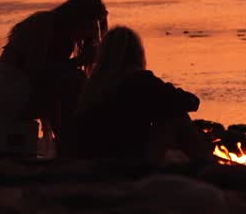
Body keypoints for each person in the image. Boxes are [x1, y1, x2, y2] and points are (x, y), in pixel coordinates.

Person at [69, 26, 209, 161]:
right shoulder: (140, 80)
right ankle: (206, 164)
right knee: (176, 114)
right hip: (128, 162)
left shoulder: (94, 85)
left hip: (92, 161)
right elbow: (190, 102)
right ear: (137, 53)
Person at [0, 0, 106, 144]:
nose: (94, 32)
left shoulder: (47, 24)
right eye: (93, 24)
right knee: (75, 81)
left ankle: (67, 142)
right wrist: (79, 61)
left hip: (4, 99)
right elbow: (40, 75)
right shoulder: (52, 30)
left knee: (74, 81)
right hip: (10, 99)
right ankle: (68, 143)